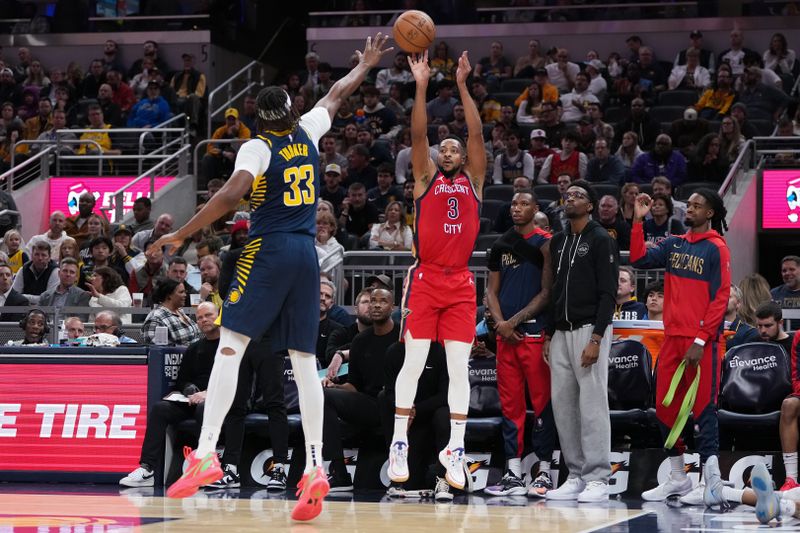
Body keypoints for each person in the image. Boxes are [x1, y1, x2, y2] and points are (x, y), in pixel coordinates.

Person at [148, 33, 391, 521]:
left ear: (262, 118)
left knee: (230, 346)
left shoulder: (257, 148)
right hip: (308, 254)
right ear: (291, 110)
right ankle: (318, 467)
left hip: (269, 249)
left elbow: (232, 196)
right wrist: (364, 66)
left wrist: (186, 234)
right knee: (305, 363)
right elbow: (336, 94)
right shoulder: (308, 129)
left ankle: (208, 454)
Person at [387, 49, 486, 492]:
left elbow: (478, 133)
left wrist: (463, 86)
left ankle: (457, 449)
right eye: (442, 147)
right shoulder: (425, 179)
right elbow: (418, 133)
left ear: (463, 157)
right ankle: (398, 441)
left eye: (454, 148)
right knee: (415, 361)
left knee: (459, 368)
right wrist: (422, 85)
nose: (447, 150)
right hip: (426, 279)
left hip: (461, 282)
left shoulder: (475, 181)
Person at [632, 188, 731, 506]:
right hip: (672, 339)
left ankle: (711, 482)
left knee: (704, 410)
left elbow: (721, 298)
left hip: (702, 342)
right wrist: (638, 222)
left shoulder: (717, 248)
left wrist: (702, 340)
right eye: (687, 204)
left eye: (696, 205)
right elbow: (638, 259)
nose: (689, 208)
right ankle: (678, 478)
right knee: (664, 410)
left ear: (710, 213)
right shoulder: (674, 243)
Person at [545, 180, 618, 502]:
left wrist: (598, 337)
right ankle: (575, 475)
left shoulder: (602, 239)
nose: (570, 199)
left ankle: (599, 477)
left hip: (590, 329)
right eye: (568, 195)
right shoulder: (558, 240)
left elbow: (608, 293)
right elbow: (553, 290)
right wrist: (548, 333)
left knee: (592, 406)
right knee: (564, 407)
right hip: (560, 331)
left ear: (590, 206)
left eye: (578, 196)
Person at [484, 190, 556, 497]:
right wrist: (501, 325)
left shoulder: (546, 242)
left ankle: (545, 472)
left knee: (542, 404)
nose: (517, 208)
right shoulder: (501, 244)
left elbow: (547, 292)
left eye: (524, 203)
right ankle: (513, 472)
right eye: (514, 203)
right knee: (510, 405)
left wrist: (511, 322)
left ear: (535, 208)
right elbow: (490, 291)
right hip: (506, 338)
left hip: (533, 333)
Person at [120, 303, 237, 487]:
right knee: (160, 408)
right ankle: (147, 468)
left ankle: (206, 466)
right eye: (199, 317)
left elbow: (236, 381)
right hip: (193, 400)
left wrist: (209, 393)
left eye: (208, 315)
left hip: (221, 402)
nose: (204, 320)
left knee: (203, 408)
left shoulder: (231, 347)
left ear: (219, 316)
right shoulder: (194, 348)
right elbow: (183, 381)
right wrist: (190, 390)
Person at [321, 288, 398, 490]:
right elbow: (354, 385)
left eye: (383, 301)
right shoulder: (360, 341)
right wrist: (335, 387)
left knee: (384, 396)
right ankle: (338, 471)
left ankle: (399, 467)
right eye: (373, 301)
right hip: (370, 404)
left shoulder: (402, 337)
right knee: (323, 395)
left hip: (397, 404)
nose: (377, 305)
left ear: (393, 307)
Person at [142, 278, 200, 346]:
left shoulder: (180, 311)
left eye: (185, 292)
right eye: (181, 292)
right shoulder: (155, 318)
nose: (185, 295)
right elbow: (155, 349)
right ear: (169, 295)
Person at [724, 285, 759, 350]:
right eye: (720, 296)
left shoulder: (749, 333)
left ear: (738, 303)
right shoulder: (708, 330)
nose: (723, 299)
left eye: (728, 296)